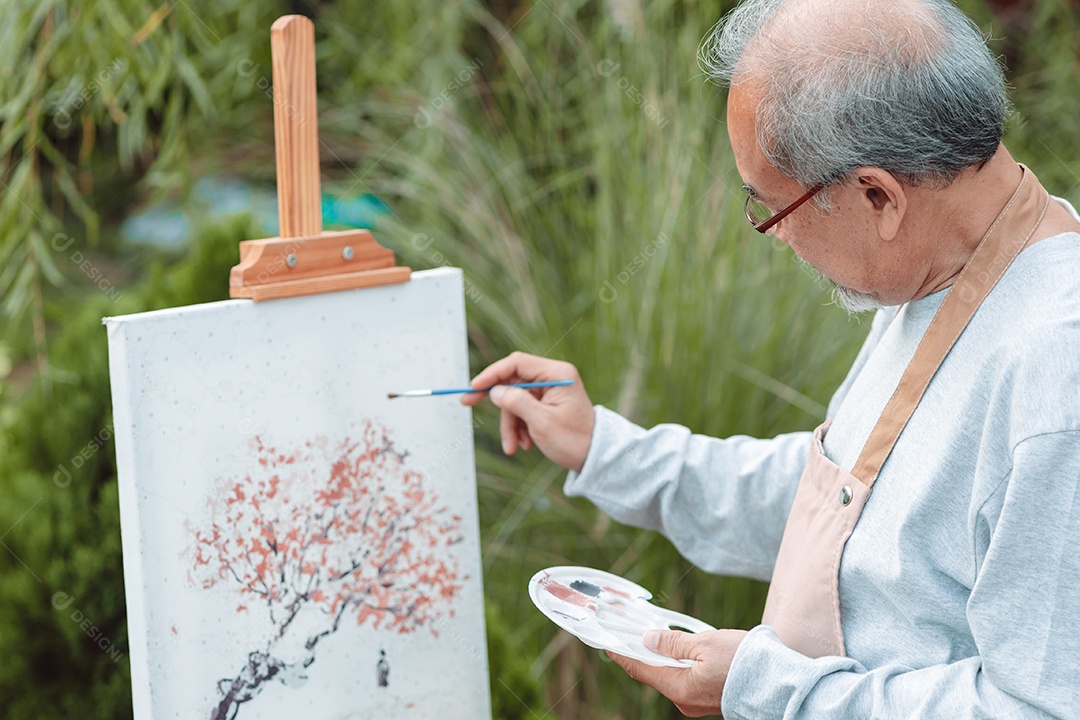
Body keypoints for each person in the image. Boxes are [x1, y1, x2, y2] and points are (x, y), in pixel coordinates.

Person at [462, 0, 1080, 717]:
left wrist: (770, 691)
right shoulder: (946, 271)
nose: (776, 239)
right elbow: (850, 504)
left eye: (771, 210)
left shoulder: (1056, 376)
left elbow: (1041, 705)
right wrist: (604, 449)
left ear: (878, 195)